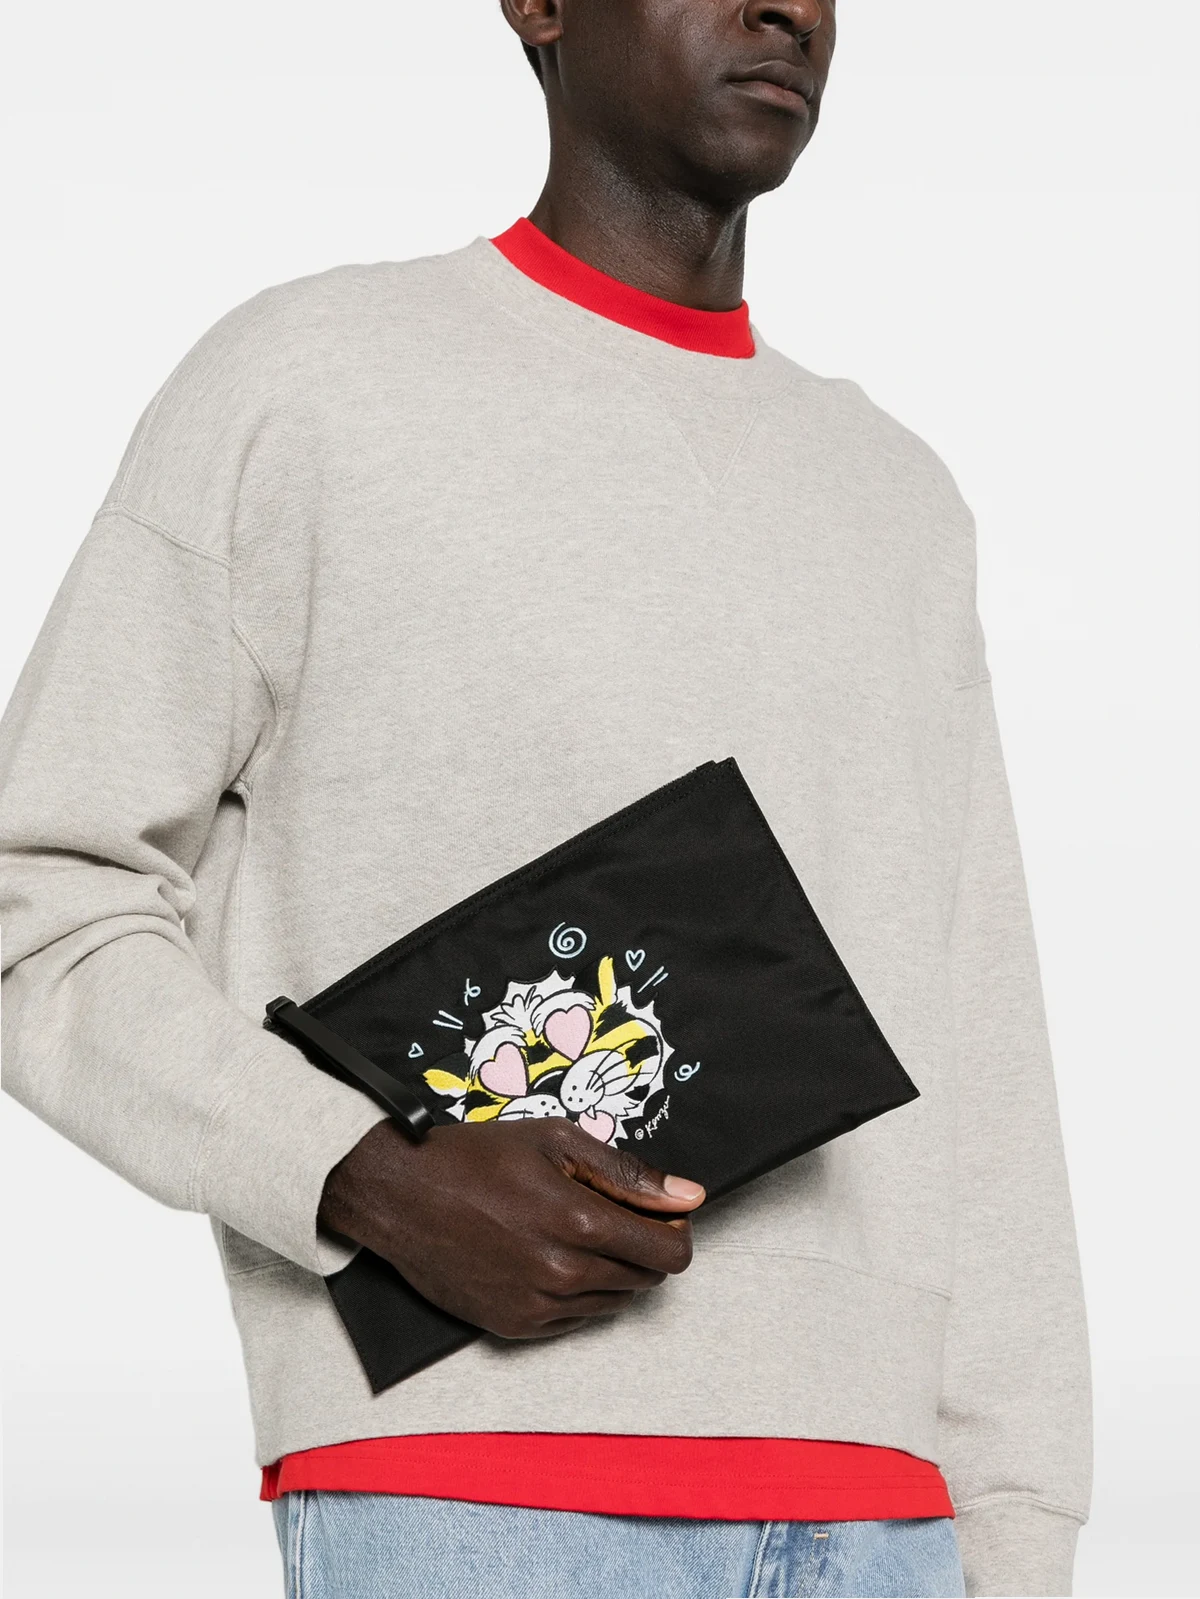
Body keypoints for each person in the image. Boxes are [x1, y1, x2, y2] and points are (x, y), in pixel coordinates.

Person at [0, 1, 1093, 1595]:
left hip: (888, 1523)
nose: (787, 8)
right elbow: (40, 889)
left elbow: (978, 1037)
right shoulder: (308, 388)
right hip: (474, 1493)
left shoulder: (897, 498)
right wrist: (358, 1170)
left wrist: (1019, 1530)